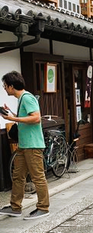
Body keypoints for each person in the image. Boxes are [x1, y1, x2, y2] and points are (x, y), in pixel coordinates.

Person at [0, 71, 50, 219]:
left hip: (32, 145)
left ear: (11, 86)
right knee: (18, 176)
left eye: (5, 86)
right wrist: (11, 114)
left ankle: (43, 207)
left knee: (37, 177)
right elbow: (26, 117)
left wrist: (13, 118)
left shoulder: (27, 98)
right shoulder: (22, 98)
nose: (4, 88)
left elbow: (36, 118)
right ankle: (15, 207)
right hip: (24, 145)